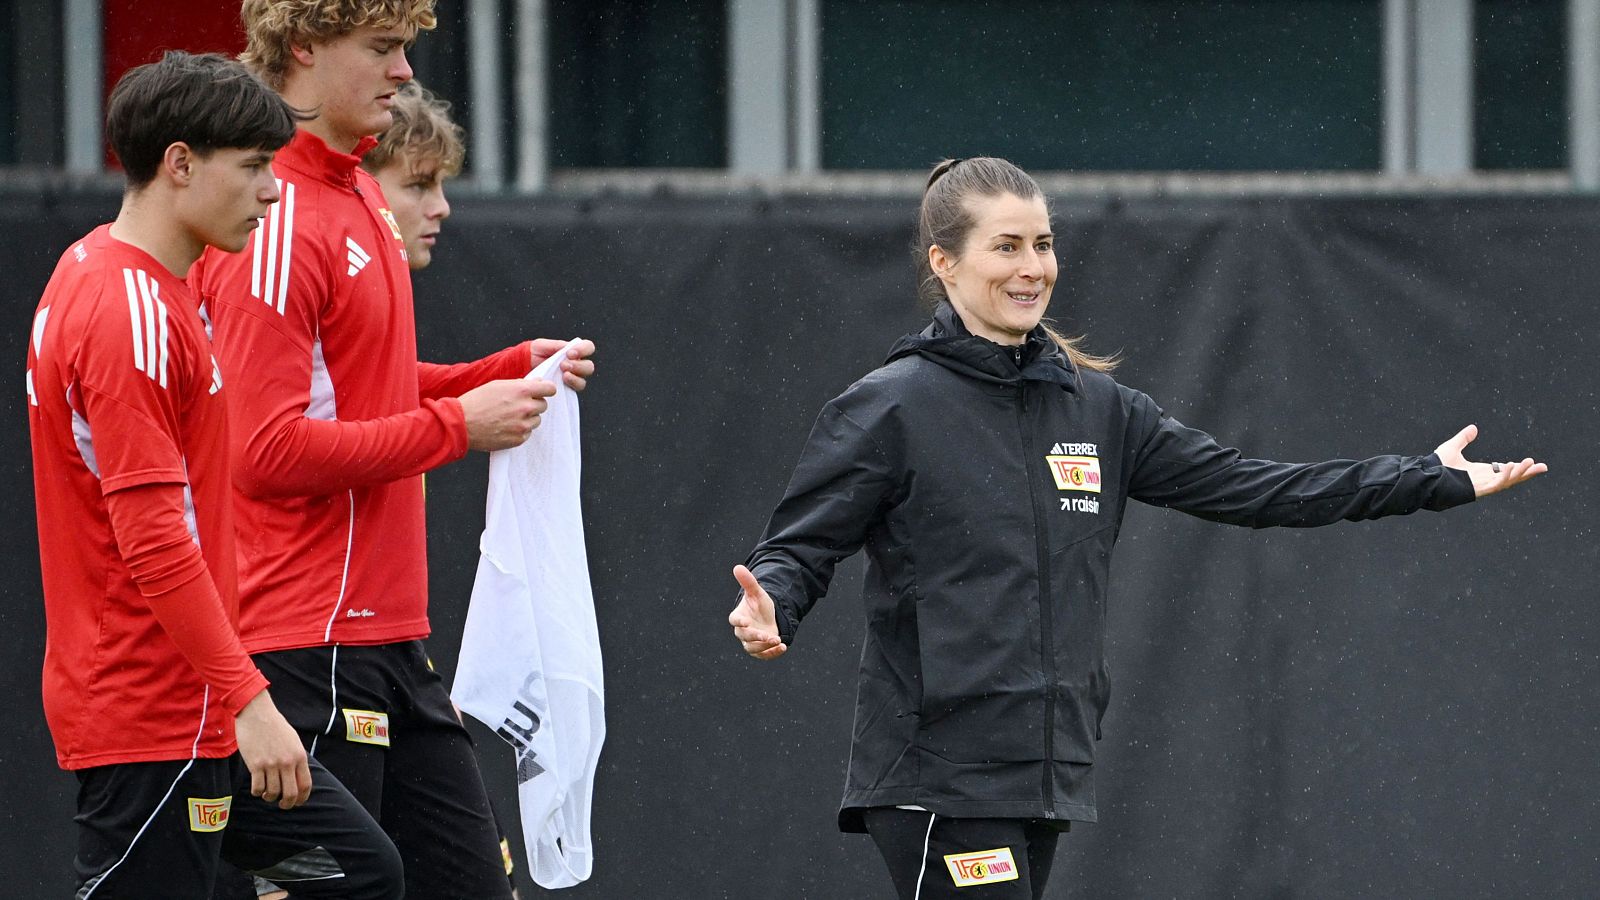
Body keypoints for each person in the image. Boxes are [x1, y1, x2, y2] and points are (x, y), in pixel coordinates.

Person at [726, 156, 1547, 900]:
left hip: (1043, 773)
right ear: (945, 264)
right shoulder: (891, 404)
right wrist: (776, 603)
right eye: (1005, 247)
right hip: (936, 775)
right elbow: (800, 545)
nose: (1033, 268)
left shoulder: (1098, 408)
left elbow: (1257, 488)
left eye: (1043, 244)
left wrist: (1426, 479)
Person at [188, 3, 594, 898]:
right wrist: (461, 425)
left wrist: (498, 374)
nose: (405, 71)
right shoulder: (276, 212)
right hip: (303, 643)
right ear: (302, 49)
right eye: (382, 48)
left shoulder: (355, 191)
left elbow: (361, 384)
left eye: (404, 47)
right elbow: (263, 448)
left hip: (387, 642)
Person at [25, 50, 401, 899]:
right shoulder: (130, 313)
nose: (273, 190)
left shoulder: (120, 273)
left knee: (359, 874)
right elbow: (155, 542)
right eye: (255, 167)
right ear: (180, 163)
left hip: (191, 711)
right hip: (151, 714)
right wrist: (248, 701)